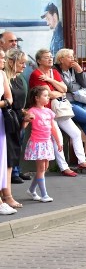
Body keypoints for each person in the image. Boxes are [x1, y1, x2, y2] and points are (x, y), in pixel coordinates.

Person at [30, 49, 86, 172]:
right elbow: (49, 94)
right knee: (57, 138)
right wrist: (58, 91)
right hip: (46, 111)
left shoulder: (53, 72)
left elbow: (64, 89)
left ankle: (82, 161)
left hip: (60, 109)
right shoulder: (37, 74)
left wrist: (50, 81)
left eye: (50, 56)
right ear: (38, 61)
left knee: (76, 133)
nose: (50, 59)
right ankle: (64, 167)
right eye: (46, 57)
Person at [23, 85, 62, 203]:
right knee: (41, 169)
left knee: (45, 168)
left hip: (47, 142)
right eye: (45, 96)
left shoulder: (49, 112)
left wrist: (59, 141)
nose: (48, 98)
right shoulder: (32, 111)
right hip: (37, 143)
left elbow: (53, 128)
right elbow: (24, 126)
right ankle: (44, 195)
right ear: (37, 98)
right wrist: (25, 120)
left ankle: (31, 190)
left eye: (48, 96)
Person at [3, 46, 31, 185]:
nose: (24, 66)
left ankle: (15, 171)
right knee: (9, 150)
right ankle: (11, 175)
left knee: (18, 146)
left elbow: (22, 99)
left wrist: (25, 113)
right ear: (11, 62)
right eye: (21, 63)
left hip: (20, 117)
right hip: (8, 118)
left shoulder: (20, 79)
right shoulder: (5, 78)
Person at [0, 50, 16, 215]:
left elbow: (9, 98)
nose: (3, 61)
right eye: (1, 58)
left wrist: (2, 103)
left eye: (4, 58)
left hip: (1, 119)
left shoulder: (2, 75)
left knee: (2, 158)